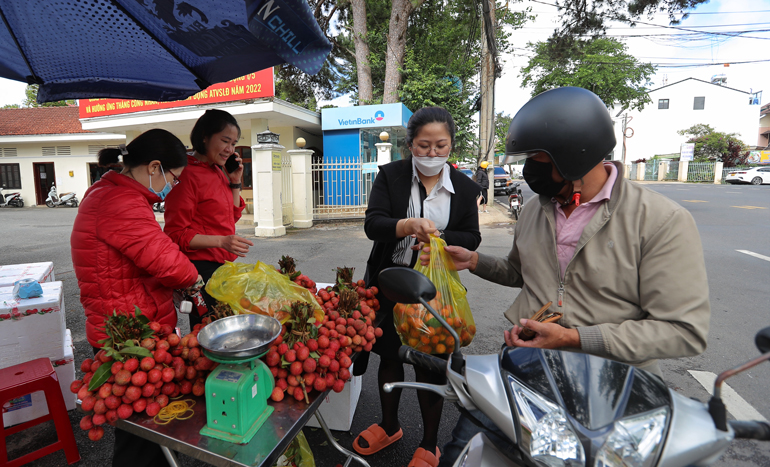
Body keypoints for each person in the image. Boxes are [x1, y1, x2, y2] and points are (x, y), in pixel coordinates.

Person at [435, 87, 711, 467]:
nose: (529, 170)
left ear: (574, 152)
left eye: (537, 159)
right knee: (461, 454)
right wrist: (475, 261)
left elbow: (683, 329)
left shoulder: (660, 220)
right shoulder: (535, 210)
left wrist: (573, 338)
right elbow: (520, 272)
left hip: (613, 387)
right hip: (526, 366)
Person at [353, 107, 482, 467]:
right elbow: (373, 224)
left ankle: (429, 443)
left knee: (429, 363)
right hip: (389, 284)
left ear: (451, 145)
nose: (432, 153)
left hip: (434, 293)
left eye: (440, 145)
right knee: (390, 356)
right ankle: (390, 424)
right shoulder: (390, 177)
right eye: (423, 145)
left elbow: (472, 236)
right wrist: (408, 224)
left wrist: (439, 237)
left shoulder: (465, 187)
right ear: (410, 145)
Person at [71, 129, 202, 467]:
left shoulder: (110, 192)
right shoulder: (119, 201)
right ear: (154, 167)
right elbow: (162, 258)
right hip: (127, 333)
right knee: (140, 434)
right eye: (174, 178)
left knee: (147, 429)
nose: (172, 186)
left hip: (129, 321)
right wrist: (194, 278)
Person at [164, 109, 254, 326]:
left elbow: (230, 217)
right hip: (201, 269)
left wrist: (234, 182)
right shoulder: (185, 174)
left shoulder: (218, 170)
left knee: (232, 328)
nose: (230, 149)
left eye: (234, 143)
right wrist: (222, 241)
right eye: (225, 141)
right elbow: (176, 234)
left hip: (223, 265)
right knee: (211, 330)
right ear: (204, 136)